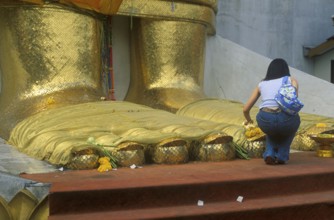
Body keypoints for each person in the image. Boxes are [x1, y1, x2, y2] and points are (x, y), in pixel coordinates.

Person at [243, 58, 301, 165]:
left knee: (271, 130)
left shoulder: (261, 84)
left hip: (265, 118)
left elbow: (245, 109)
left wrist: (249, 121)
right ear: (285, 69)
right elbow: (294, 99)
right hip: (285, 118)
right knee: (294, 122)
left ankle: (269, 153)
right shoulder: (290, 80)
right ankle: (282, 156)